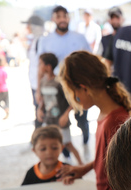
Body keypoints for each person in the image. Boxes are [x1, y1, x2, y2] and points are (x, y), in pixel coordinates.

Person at [57, 51, 131, 190]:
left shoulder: (116, 121)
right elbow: (112, 157)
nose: (74, 98)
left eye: (73, 93)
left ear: (83, 87)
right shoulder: (104, 114)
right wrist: (86, 168)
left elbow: (130, 180)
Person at [37, 5, 91, 146]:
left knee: (81, 115)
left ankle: (85, 133)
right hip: (56, 87)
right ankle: (65, 149)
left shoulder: (79, 38)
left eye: (64, 16)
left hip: (77, 84)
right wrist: (38, 89)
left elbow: (90, 60)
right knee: (59, 118)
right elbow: (40, 67)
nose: (62, 19)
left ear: (68, 18)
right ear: (53, 19)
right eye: (58, 16)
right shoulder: (45, 40)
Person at [37, 53, 83, 165]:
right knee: (48, 143)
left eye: (40, 64)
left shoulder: (59, 82)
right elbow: (43, 98)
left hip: (60, 121)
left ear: (48, 66)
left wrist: (66, 115)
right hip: (49, 120)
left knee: (67, 144)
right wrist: (39, 108)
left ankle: (81, 164)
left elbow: (73, 100)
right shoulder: (43, 81)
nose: (38, 67)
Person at [22, 15, 45, 129]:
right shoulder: (35, 40)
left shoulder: (41, 41)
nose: (27, 27)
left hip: (38, 84)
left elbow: (42, 66)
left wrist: (39, 88)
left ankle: (39, 137)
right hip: (34, 83)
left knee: (40, 111)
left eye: (29, 25)